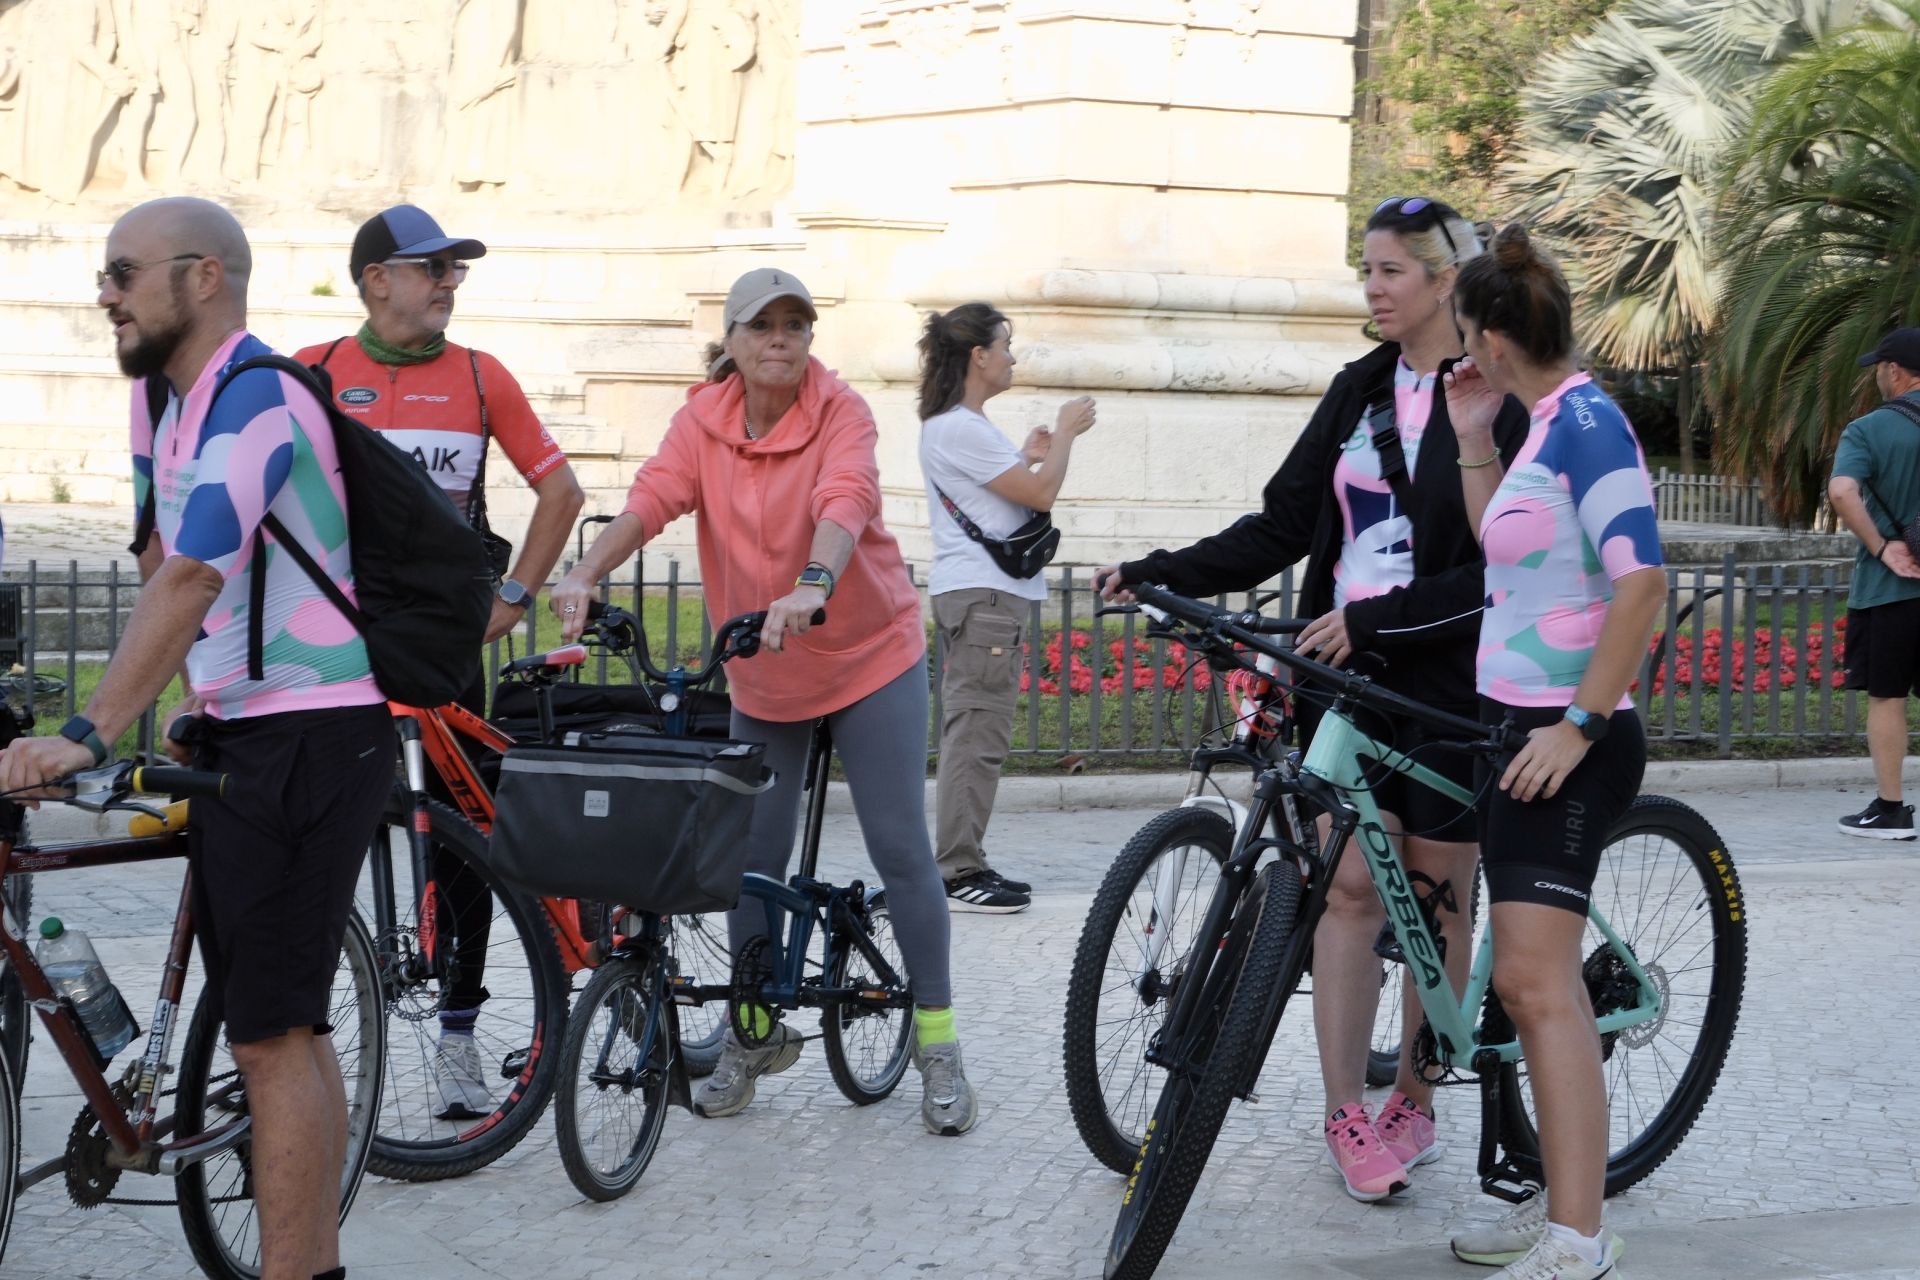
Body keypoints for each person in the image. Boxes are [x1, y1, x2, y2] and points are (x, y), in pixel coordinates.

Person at [1097, 197, 1528, 1203]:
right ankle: (1344, 1105)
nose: (1371, 287)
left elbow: (1503, 566)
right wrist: (1161, 570)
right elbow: (1284, 522)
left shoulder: (1497, 397)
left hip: (1454, 683)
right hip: (1343, 677)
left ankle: (1415, 1097)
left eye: (1389, 271)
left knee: (1437, 893)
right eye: (1367, 270)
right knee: (1345, 885)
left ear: (1441, 279)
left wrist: (1376, 623)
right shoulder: (1358, 389)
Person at [0, 197, 393, 1280]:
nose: (105, 292)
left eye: (123, 272)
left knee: (273, 1036)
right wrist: (187, 696)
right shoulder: (177, 406)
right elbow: (158, 571)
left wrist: (86, 729)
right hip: (248, 732)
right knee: (283, 1026)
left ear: (204, 275)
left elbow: (194, 570)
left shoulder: (260, 398)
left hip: (312, 737)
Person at [549, 267, 977, 1136]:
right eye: (763, 326)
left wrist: (811, 585)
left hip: (865, 653)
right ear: (733, 343)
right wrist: (588, 570)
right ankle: (751, 1031)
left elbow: (845, 499)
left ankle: (938, 1045)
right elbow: (654, 498)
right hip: (766, 667)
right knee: (749, 859)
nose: (782, 339)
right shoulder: (702, 420)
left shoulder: (841, 411)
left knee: (901, 844)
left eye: (796, 325)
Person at [293, 205, 583, 1120]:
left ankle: (457, 1039)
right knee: (326, 836)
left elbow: (562, 491)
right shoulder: (315, 373)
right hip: (336, 647)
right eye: (435, 269)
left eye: (458, 271)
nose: (452, 284)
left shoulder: (479, 375)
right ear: (378, 278)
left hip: (445, 645)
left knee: (461, 853)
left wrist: (515, 601)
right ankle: (307, 1049)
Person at [1440, 223, 1666, 1279]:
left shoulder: (1590, 426)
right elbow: (1513, 553)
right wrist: (1472, 435)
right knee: (1545, 984)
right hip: (1516, 725)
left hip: (1568, 736)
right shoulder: (1538, 429)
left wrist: (1577, 725)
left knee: (1536, 983)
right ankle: (1564, 1210)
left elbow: (1642, 584)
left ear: (1488, 336)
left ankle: (1579, 1239)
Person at [917, 303, 1096, 913]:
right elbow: (1040, 496)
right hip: (984, 597)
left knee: (977, 729)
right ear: (979, 356)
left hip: (983, 596)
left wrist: (1026, 454)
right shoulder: (959, 426)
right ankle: (958, 873)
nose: (1013, 357)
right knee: (976, 734)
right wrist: (1066, 433)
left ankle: (964, 863)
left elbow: (1005, 496)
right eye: (1006, 346)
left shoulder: (961, 425)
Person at [1827, 326, 1920, 839]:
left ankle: (1891, 811)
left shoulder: (1869, 430)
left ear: (1894, 371)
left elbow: (1842, 491)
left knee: (1888, 697)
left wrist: (1883, 546)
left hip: (1893, 590)